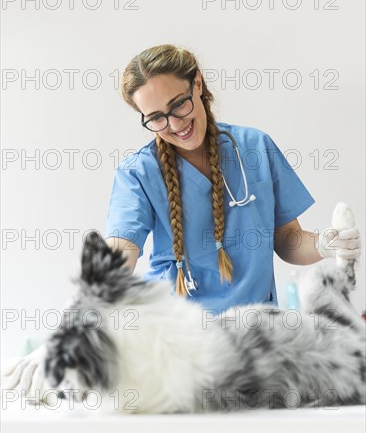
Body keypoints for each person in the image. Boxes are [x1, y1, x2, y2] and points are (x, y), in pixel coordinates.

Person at [104, 44, 361, 313]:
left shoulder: (256, 148)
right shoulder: (137, 173)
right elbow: (122, 247)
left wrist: (324, 245)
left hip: (258, 332)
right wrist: (102, 289)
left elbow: (287, 240)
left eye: (179, 104)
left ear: (198, 84)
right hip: (183, 336)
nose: (176, 124)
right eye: (157, 118)